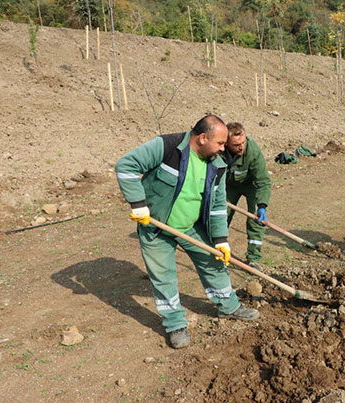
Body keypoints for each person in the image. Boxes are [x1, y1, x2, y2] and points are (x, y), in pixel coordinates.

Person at [115, 115, 259, 349]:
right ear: (202, 138)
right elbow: (126, 166)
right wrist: (138, 203)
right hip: (156, 226)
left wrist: (221, 241)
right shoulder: (166, 147)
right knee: (164, 276)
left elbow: (218, 206)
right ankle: (174, 324)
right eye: (220, 143)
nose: (223, 149)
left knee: (213, 262)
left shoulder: (218, 166)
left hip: (191, 226)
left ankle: (229, 306)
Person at [223, 122, 271, 268]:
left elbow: (263, 181)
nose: (241, 147)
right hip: (228, 186)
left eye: (243, 142)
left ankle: (253, 259)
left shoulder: (253, 151)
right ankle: (217, 252)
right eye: (236, 145)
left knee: (255, 220)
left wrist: (261, 206)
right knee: (221, 217)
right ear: (226, 143)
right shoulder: (218, 150)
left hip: (251, 185)